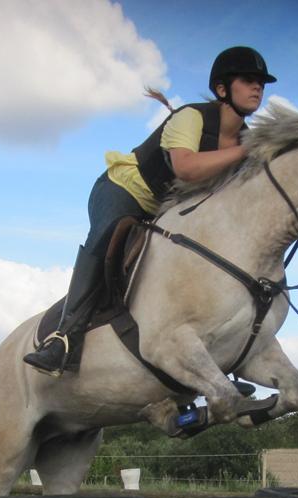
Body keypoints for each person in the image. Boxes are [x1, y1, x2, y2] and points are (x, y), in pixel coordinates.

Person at [23, 46, 277, 377]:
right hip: (125, 189)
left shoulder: (245, 138)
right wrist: (246, 151)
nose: (258, 87)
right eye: (248, 80)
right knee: (107, 238)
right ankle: (63, 338)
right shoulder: (192, 117)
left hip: (166, 210)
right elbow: (185, 168)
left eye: (261, 82)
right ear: (222, 88)